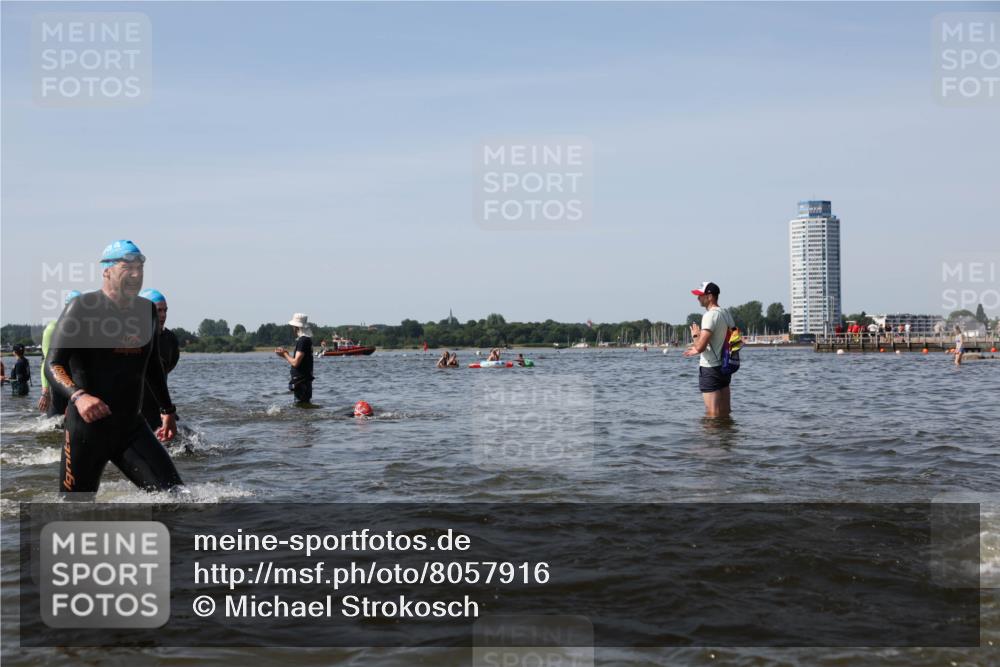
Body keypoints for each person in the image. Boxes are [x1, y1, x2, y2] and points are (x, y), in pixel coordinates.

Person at [44, 240, 185, 496]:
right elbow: (53, 364)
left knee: (177, 499)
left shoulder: (146, 312)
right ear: (106, 270)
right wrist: (79, 396)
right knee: (75, 511)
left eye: (140, 268)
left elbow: (152, 366)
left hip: (131, 427)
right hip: (86, 430)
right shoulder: (82, 308)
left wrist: (167, 410)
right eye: (127, 267)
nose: (135, 274)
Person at [683, 282, 736, 418]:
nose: (698, 298)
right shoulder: (726, 313)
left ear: (710, 296)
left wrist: (695, 335)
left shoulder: (709, 316)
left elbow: (700, 347)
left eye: (701, 295)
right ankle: (726, 437)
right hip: (725, 366)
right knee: (725, 412)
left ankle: (711, 439)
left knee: (712, 414)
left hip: (710, 369)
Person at [137, 289, 181, 436]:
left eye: (165, 310)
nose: (162, 315)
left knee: (189, 447)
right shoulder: (130, 341)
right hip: (136, 412)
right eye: (158, 310)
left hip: (160, 409)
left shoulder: (170, 340)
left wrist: (167, 410)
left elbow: (164, 372)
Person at [38, 290, 83, 417]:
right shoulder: (52, 329)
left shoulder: (85, 329)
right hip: (59, 381)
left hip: (76, 383)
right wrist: (45, 392)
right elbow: (47, 362)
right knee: (55, 422)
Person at [276, 313, 314, 404]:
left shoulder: (303, 341)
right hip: (303, 381)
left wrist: (284, 354)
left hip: (302, 382)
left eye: (293, 326)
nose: (292, 328)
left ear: (296, 327)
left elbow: (296, 362)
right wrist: (286, 354)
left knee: (301, 407)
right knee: (303, 407)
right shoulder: (306, 340)